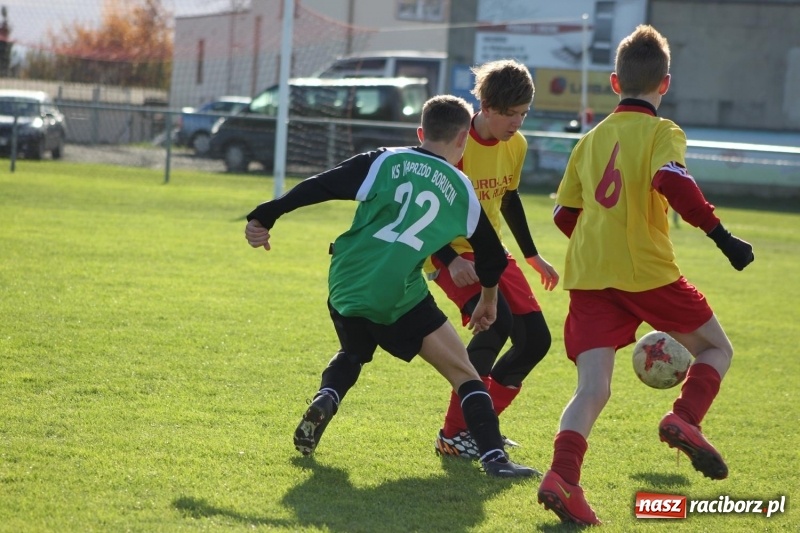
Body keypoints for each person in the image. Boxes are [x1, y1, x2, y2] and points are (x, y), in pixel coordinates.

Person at [244, 94, 537, 478]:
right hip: (398, 293)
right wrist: (488, 301)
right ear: (463, 139)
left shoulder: (384, 159)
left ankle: (327, 396)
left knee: (355, 349)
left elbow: (320, 186)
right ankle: (495, 460)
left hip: (346, 279)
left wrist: (267, 214)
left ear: (421, 132)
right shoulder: (461, 187)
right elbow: (492, 257)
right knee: (465, 374)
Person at [537, 25, 755, 525]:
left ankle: (562, 478)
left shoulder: (589, 140)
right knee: (717, 349)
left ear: (615, 83)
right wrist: (722, 237)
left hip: (590, 275)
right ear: (666, 84)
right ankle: (684, 418)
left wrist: (600, 246)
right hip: (646, 271)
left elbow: (564, 215)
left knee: (591, 389)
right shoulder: (663, 132)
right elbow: (670, 181)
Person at [427, 59, 559, 460]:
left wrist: (532, 256)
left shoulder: (515, 145)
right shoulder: (456, 144)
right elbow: (427, 209)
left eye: (522, 113)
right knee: (495, 325)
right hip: (449, 255)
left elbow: (509, 197)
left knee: (536, 340)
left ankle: (483, 428)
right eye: (507, 114)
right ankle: (454, 435)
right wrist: (449, 259)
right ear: (484, 106)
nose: (515, 123)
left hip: (492, 255)